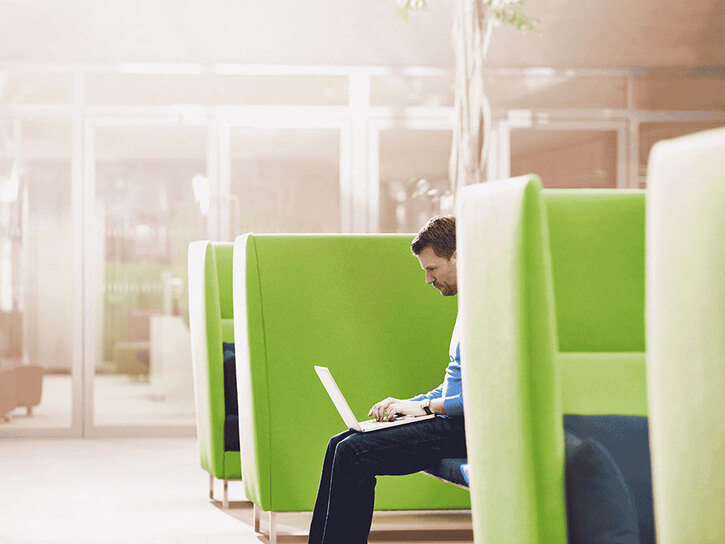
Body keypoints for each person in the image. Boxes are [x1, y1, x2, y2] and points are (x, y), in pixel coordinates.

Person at [308, 215, 466, 544]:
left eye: (432, 269)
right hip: (451, 420)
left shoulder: (491, 309)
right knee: (338, 444)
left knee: (353, 453)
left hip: (467, 427)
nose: (427, 279)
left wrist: (426, 408)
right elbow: (457, 383)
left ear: (457, 255)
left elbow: (490, 394)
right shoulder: (470, 308)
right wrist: (413, 403)